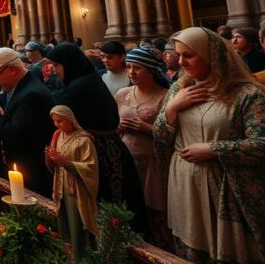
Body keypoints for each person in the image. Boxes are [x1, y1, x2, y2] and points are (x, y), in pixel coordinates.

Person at [154, 27, 265, 263]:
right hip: (184, 185)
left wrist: (213, 149)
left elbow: (262, 144)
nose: (180, 61)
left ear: (211, 55)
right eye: (178, 54)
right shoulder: (178, 89)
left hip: (226, 189)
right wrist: (173, 108)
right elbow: (161, 137)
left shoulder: (246, 94)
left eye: (188, 55)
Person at [45, 43, 146, 231]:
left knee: (106, 213)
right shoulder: (89, 80)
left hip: (100, 155)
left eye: (57, 66)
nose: (54, 71)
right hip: (110, 148)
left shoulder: (78, 88)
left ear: (68, 64)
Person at [115, 47, 170, 249]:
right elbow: (112, 124)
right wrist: (118, 127)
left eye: (137, 67)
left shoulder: (165, 95)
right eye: (128, 67)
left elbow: (173, 132)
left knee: (156, 211)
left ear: (152, 70)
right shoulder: (123, 93)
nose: (131, 72)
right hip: (127, 160)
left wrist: (147, 128)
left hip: (153, 163)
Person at [0, 47, 54, 197]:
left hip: (32, 169)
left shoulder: (31, 94)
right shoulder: (22, 88)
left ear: (12, 70)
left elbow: (14, 134)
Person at [45, 105, 99, 257]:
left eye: (60, 121)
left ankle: (80, 256)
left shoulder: (84, 140)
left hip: (75, 191)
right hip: (60, 188)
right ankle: (67, 256)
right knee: (63, 225)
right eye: (55, 121)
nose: (57, 125)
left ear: (70, 120)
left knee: (77, 225)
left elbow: (90, 168)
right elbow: (54, 167)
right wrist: (50, 159)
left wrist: (67, 163)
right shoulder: (58, 136)